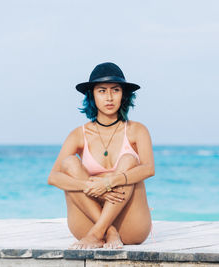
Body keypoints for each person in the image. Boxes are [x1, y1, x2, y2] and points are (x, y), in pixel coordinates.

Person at [47, 62, 155, 250]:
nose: (109, 97)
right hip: (87, 223)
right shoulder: (78, 134)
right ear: (92, 95)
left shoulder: (137, 130)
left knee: (129, 159)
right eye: (102, 91)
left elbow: (149, 169)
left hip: (130, 226)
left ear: (123, 95)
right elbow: (53, 177)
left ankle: (100, 232)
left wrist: (108, 182)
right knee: (70, 163)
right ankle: (106, 231)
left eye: (115, 90)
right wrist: (89, 185)